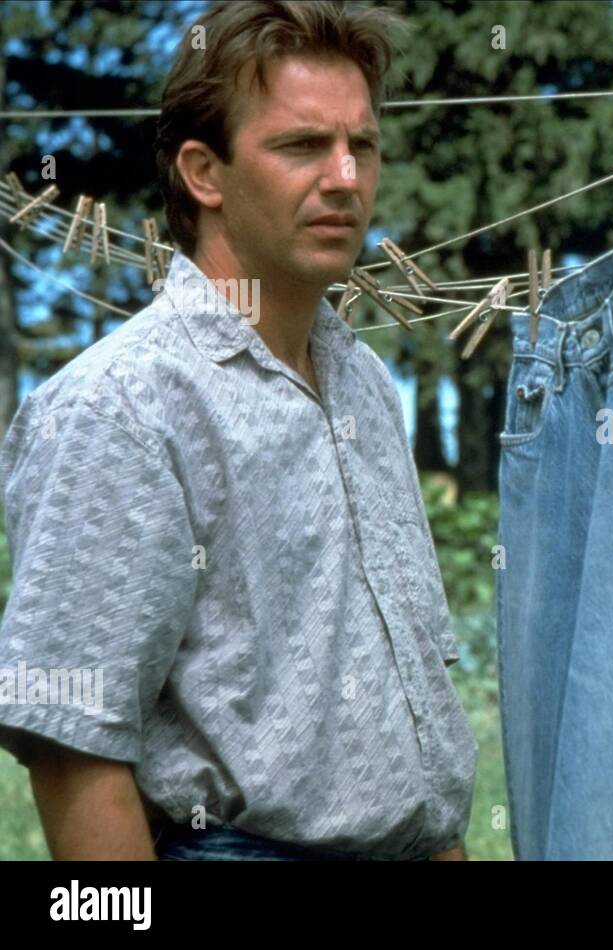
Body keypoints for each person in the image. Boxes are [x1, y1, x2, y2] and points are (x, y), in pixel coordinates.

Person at [0, 1, 475, 860]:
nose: (345, 177)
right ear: (203, 173)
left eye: (361, 145)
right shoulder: (121, 405)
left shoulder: (365, 383)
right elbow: (75, 752)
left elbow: (416, 716)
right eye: (301, 146)